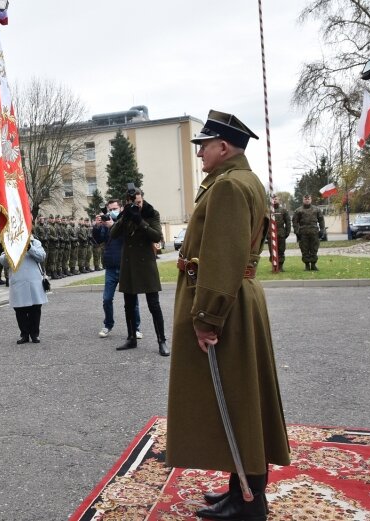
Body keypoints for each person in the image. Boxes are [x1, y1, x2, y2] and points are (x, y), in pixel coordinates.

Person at [167, 110, 290, 521]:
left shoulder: (228, 188)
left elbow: (222, 258)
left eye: (204, 145)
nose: (200, 152)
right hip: (240, 300)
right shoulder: (245, 181)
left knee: (238, 401)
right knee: (241, 401)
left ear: (224, 147)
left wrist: (207, 319)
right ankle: (240, 489)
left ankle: (250, 502)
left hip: (228, 307)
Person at [112, 189, 169, 357]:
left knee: (154, 305)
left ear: (142, 199)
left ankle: (162, 341)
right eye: (134, 203)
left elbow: (157, 236)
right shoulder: (126, 214)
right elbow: (113, 234)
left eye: (139, 202)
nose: (137, 205)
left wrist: (140, 221)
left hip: (146, 265)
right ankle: (131, 338)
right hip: (129, 265)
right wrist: (124, 217)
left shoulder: (151, 213)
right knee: (128, 305)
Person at [93, 199, 140, 340]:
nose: (112, 211)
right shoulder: (105, 223)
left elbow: (129, 238)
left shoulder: (126, 221)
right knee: (107, 299)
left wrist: (114, 225)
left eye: (115, 208)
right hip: (111, 267)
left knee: (132, 301)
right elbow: (97, 240)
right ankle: (108, 325)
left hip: (126, 266)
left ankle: (136, 328)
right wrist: (97, 226)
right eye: (110, 209)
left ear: (120, 209)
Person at [0, 237, 48, 344]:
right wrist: (11, 251)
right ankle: (24, 334)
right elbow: (3, 261)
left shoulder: (35, 242)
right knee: (20, 310)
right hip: (18, 280)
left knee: (35, 309)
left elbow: (42, 256)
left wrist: (30, 248)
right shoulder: (10, 242)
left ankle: (35, 334)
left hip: (33, 281)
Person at [292, 194, 325, 271]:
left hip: (314, 232)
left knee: (314, 249)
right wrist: (297, 232)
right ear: (303, 200)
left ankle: (313, 265)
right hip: (303, 233)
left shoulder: (316, 209)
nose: (307, 200)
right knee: (304, 249)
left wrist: (322, 229)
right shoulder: (298, 210)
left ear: (311, 200)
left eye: (308, 199)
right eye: (305, 199)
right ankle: (307, 265)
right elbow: (294, 222)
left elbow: (321, 220)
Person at [267, 194, 291, 271]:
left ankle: (280, 266)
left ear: (279, 200)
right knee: (272, 251)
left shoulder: (283, 211)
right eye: (273, 199)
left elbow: (288, 222)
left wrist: (287, 232)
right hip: (271, 235)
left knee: (281, 250)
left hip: (281, 234)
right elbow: (264, 223)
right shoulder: (268, 211)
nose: (274, 200)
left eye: (276, 199)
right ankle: (274, 266)